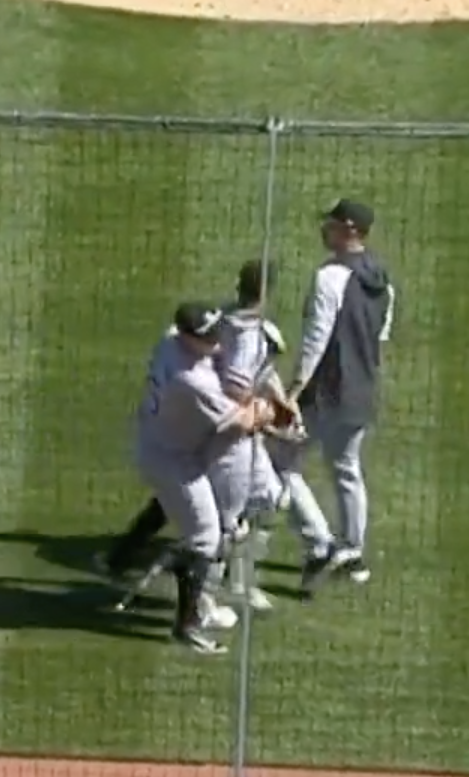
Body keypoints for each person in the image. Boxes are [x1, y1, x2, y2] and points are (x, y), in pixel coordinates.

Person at [134, 303, 273, 654]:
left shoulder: (170, 343)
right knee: (206, 537)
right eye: (208, 338)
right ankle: (188, 624)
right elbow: (244, 421)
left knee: (205, 535)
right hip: (171, 460)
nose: (217, 342)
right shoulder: (193, 380)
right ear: (186, 337)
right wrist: (265, 408)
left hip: (163, 441)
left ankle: (191, 605)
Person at [292, 196, 394, 593]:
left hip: (325, 391)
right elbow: (379, 336)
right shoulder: (383, 279)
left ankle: (319, 542)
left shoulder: (329, 278)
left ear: (349, 228)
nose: (324, 229)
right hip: (361, 390)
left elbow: (316, 341)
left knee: (277, 464)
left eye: (331, 223)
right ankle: (353, 553)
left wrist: (294, 388)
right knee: (347, 469)